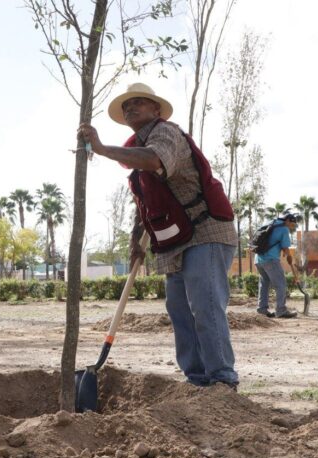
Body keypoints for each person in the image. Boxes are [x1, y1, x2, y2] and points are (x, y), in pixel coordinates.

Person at [78, 82, 239, 388]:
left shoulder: (165, 134)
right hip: (174, 241)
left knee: (204, 305)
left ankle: (222, 380)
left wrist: (100, 149)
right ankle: (197, 379)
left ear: (156, 109)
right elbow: (147, 201)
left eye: (139, 102)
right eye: (127, 106)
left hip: (205, 230)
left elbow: (155, 160)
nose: (131, 108)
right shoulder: (134, 152)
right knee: (179, 310)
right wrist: (137, 240)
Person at [255, 212, 300, 318]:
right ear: (288, 220)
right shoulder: (284, 228)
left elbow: (273, 241)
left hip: (258, 259)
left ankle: (262, 310)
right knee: (281, 284)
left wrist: (284, 252)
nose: (291, 227)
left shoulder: (271, 223)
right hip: (270, 260)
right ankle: (281, 310)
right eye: (291, 225)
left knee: (264, 284)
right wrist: (289, 256)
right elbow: (285, 247)